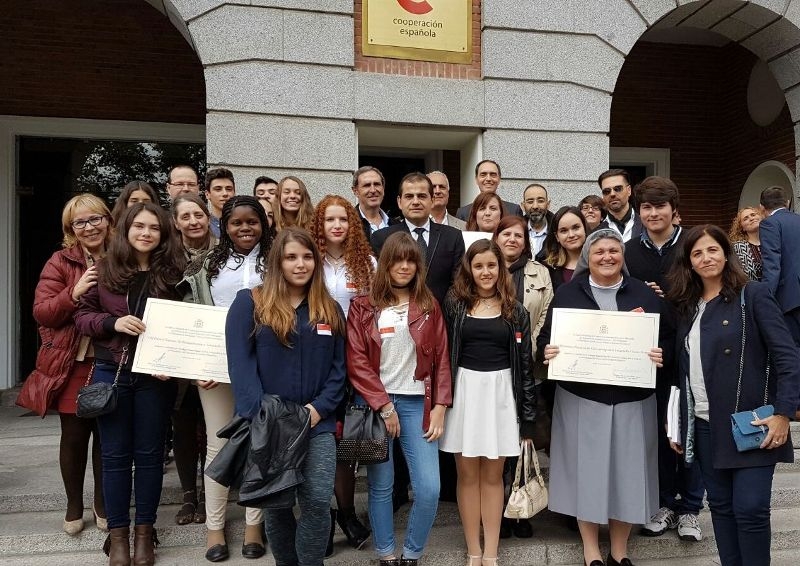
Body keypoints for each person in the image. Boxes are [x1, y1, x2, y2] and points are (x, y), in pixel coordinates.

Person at [666, 225, 798, 566]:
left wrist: (784, 413)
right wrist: (681, 425)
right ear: (689, 262)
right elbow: (684, 370)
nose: (706, 258)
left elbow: (787, 356)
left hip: (753, 424)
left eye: (712, 250)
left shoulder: (752, 295)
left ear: (726, 254)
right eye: (697, 253)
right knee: (722, 509)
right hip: (705, 427)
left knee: (750, 509)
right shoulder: (688, 307)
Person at [538, 228, 669, 566]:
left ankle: (620, 550)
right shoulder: (567, 294)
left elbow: (668, 337)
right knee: (587, 472)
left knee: (628, 473)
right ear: (587, 258)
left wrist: (660, 354)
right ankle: (591, 549)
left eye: (614, 250)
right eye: (599, 252)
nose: (607, 257)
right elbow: (543, 341)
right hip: (581, 399)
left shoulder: (644, 294)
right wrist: (548, 351)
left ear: (622, 256)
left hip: (632, 399)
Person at [226, 227, 347, 566]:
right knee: (276, 505)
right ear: (278, 261)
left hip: (316, 423)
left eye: (307, 257)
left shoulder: (331, 309)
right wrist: (262, 415)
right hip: (270, 426)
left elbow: (340, 370)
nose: (300, 264)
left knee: (318, 501)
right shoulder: (250, 302)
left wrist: (319, 409)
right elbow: (241, 367)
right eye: (292, 257)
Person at [74, 202, 185, 566]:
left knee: (150, 458)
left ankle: (144, 535)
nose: (146, 233)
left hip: (156, 378)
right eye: (139, 226)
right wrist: (113, 323)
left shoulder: (172, 273)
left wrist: (174, 362)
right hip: (114, 373)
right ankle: (118, 537)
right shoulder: (105, 269)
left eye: (154, 228)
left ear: (163, 234)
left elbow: (183, 325)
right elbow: (82, 316)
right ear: (125, 229)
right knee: (116, 457)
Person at [347, 231, 453, 566]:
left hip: (416, 403)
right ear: (386, 263)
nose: (404, 266)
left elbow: (441, 358)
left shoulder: (428, 305)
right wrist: (383, 405)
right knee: (381, 486)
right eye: (397, 259)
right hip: (376, 406)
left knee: (429, 488)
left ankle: (412, 554)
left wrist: (440, 406)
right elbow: (357, 362)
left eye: (411, 260)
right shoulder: (363, 307)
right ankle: (385, 553)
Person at [178, 195, 272, 562]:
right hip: (217, 369)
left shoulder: (276, 263)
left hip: (266, 366)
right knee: (218, 446)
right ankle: (214, 527)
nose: (245, 228)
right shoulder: (207, 266)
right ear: (225, 225)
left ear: (264, 224)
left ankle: (254, 525)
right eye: (237, 223)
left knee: (260, 444)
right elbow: (194, 318)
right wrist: (200, 365)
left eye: (253, 221)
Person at [17, 195, 112, 536]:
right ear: (70, 229)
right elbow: (42, 312)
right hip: (74, 362)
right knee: (74, 435)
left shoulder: (122, 256)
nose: (89, 227)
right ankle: (74, 503)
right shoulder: (60, 262)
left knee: (106, 436)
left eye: (95, 219)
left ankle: (103, 502)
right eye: (80, 222)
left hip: (112, 360)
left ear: (107, 219)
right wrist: (74, 292)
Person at [440, 239, 537, 566]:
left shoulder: (515, 309)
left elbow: (524, 365)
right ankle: (473, 551)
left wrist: (527, 417)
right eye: (478, 265)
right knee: (467, 475)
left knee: (494, 477)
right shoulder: (455, 304)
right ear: (469, 268)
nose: (485, 272)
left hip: (501, 396)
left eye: (491, 265)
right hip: (464, 393)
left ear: (501, 268)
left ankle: (492, 553)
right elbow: (443, 354)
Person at [622, 177, 704, 543]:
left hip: (690, 352)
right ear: (639, 213)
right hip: (646, 356)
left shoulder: (693, 245)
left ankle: (690, 509)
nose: (653, 214)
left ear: (674, 209)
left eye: (660, 207)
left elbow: (708, 289)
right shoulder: (628, 250)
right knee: (658, 432)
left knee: (688, 430)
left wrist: (669, 297)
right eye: (647, 208)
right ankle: (664, 503)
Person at [310, 194, 375, 554]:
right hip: (317, 361)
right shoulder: (309, 261)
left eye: (343, 220)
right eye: (329, 219)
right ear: (318, 225)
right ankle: (320, 517)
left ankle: (347, 513)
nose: (337, 225)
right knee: (319, 443)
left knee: (346, 445)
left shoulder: (366, 262)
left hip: (357, 363)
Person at [170, 193, 216, 527]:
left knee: (213, 427)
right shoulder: (167, 256)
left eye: (198, 214)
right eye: (185, 216)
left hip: (214, 349)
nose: (193, 221)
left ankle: (212, 491)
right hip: (179, 349)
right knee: (184, 424)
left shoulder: (223, 252)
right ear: (175, 222)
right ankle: (189, 494)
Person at [371, 172, 465, 306]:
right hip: (396, 316)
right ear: (399, 202)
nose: (415, 202)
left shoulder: (453, 236)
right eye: (409, 196)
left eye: (422, 196)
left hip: (441, 319)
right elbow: (379, 282)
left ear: (432, 200)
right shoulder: (382, 238)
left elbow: (458, 283)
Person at [456, 160, 523, 220]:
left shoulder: (514, 210)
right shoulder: (463, 213)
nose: (488, 179)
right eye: (483, 174)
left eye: (493, 175)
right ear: (476, 179)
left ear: (499, 179)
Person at [540, 206, 588, 291]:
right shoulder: (547, 269)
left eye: (576, 227)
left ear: (584, 228)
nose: (571, 235)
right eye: (564, 231)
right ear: (557, 237)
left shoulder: (599, 262)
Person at [352, 166, 400, 239]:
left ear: (383, 188)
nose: (373, 190)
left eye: (377, 184)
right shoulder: (349, 224)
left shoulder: (397, 226)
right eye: (367, 185)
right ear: (356, 191)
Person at [597, 169, 642, 242]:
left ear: (629, 190)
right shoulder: (596, 234)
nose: (612, 194)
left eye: (617, 189)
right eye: (607, 191)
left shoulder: (647, 225)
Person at [729, 206, 764, 282]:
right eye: (746, 219)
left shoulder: (773, 242)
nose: (751, 219)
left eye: (753, 215)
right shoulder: (737, 248)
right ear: (742, 227)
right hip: (752, 291)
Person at [520, 184, 552, 258]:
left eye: (540, 201)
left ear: (548, 204)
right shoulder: (515, 232)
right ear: (523, 206)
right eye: (530, 202)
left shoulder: (558, 231)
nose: (535, 206)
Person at [204, 168, 236, 239]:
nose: (225, 193)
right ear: (207, 194)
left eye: (229, 189)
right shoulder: (203, 226)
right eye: (218, 189)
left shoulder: (243, 223)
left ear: (234, 193)